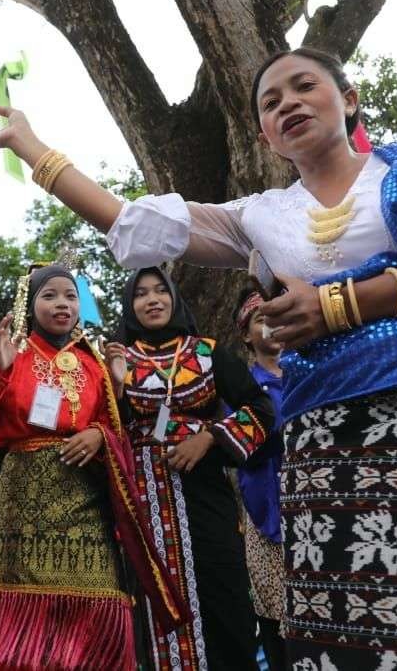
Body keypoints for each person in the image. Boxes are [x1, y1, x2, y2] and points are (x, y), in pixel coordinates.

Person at [0, 47, 397, 669]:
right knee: (350, 622)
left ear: (348, 99)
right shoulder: (260, 217)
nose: (288, 103)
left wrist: (337, 306)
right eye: (271, 103)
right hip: (330, 436)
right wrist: (30, 148)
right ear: (267, 136)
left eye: (304, 87)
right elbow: (129, 221)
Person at [0, 264, 186, 671]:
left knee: (102, 607)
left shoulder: (92, 363)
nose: (62, 304)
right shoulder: (9, 352)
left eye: (69, 295)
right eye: (49, 296)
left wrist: (99, 433)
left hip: (86, 502)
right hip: (24, 506)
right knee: (30, 632)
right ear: (31, 304)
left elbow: (118, 430)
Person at [101, 267, 273, 669]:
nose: (152, 300)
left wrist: (210, 437)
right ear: (131, 306)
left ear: (175, 298)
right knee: (154, 605)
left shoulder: (208, 352)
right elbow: (105, 426)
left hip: (205, 496)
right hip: (142, 502)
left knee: (224, 596)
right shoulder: (116, 358)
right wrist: (119, 387)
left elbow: (260, 409)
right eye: (140, 294)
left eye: (161, 290)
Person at [232, 290, 287, 671]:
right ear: (247, 335)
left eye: (278, 315)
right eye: (261, 319)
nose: (273, 325)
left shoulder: (313, 374)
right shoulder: (242, 388)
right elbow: (242, 449)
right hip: (267, 511)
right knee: (276, 612)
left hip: (319, 502)